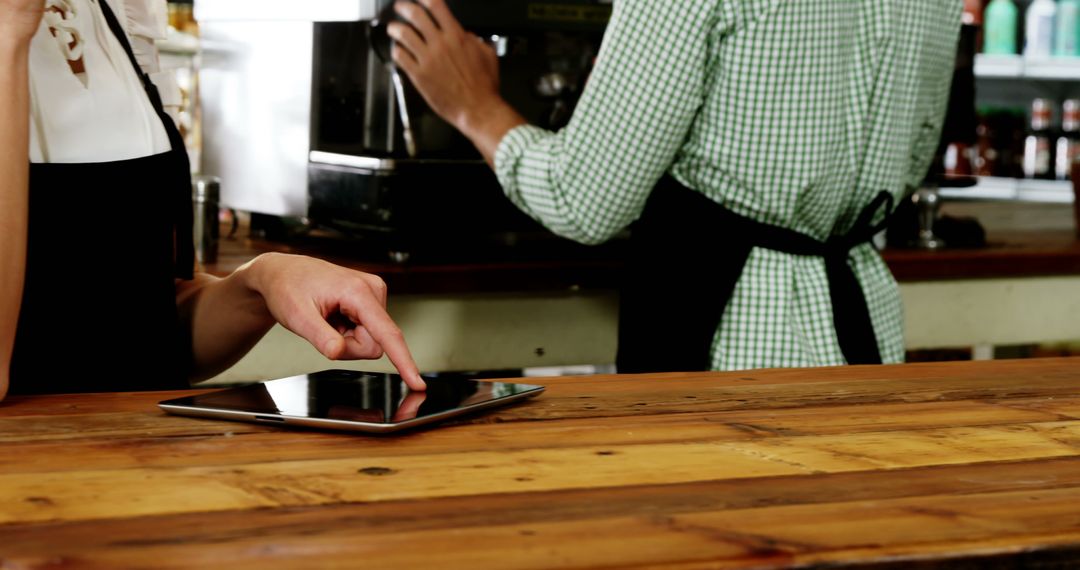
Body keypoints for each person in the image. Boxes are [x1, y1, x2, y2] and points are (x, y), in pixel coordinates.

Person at [388, 0, 963, 373]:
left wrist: (475, 108)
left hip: (730, 347)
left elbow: (585, 200)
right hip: (866, 328)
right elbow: (916, 154)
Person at [0, 0, 425, 399]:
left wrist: (261, 283)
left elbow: (152, 326)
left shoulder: (115, 13)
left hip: (144, 457)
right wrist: (9, 31)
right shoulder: (11, 24)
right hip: (33, 469)